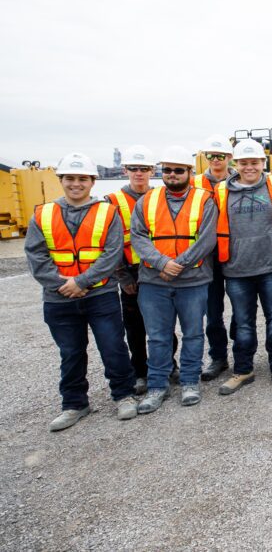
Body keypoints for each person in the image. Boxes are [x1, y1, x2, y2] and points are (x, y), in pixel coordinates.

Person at [24, 152, 137, 431]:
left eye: (82, 179)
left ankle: (124, 395)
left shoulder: (107, 212)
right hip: (59, 298)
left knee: (113, 347)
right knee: (71, 352)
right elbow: (36, 257)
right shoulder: (43, 213)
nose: (76, 184)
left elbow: (112, 254)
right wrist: (63, 284)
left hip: (100, 295)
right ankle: (74, 404)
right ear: (61, 180)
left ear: (92, 181)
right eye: (70, 178)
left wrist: (82, 282)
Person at [131, 146, 218, 414]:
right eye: (167, 170)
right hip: (154, 281)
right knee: (157, 337)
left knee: (193, 334)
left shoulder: (204, 200)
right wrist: (161, 263)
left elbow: (207, 239)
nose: (172, 174)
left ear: (189, 172)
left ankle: (190, 381)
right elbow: (138, 236)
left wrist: (178, 264)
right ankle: (157, 386)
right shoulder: (147, 200)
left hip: (192, 281)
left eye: (178, 170)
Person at [214, 138, 272, 394]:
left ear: (264, 162)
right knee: (243, 322)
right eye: (244, 163)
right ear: (235, 164)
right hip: (237, 270)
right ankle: (243, 369)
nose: (250, 167)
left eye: (255, 162)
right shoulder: (220, 191)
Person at [105, 144, 159, 394]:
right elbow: (109, 243)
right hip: (132, 273)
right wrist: (122, 276)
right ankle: (140, 372)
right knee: (135, 326)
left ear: (151, 170)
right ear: (125, 170)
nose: (139, 173)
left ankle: (167, 366)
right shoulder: (112, 202)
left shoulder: (159, 196)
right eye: (134, 168)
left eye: (144, 169)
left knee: (162, 325)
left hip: (158, 269)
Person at [195, 134, 236, 382]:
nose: (216, 160)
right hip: (207, 258)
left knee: (242, 309)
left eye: (221, 155)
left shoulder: (239, 180)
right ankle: (218, 357)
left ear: (229, 157)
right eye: (211, 155)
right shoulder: (195, 184)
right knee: (213, 311)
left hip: (234, 254)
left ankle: (242, 351)